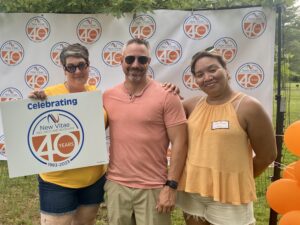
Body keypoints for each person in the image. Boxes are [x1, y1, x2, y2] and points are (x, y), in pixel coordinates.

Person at [176, 51, 277, 225]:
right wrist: (168, 91)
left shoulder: (248, 107)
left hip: (229, 198)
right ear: (195, 80)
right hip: (193, 191)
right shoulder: (191, 105)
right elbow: (161, 110)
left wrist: (234, 180)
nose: (207, 77)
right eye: (200, 74)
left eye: (212, 70)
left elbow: (267, 155)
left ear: (226, 71)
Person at [103, 38, 188, 225]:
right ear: (121, 60)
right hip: (117, 186)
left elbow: (180, 142)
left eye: (142, 60)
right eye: (130, 59)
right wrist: (43, 101)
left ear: (149, 62)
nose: (135, 65)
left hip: (154, 188)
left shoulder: (167, 96)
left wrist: (171, 186)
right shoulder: (108, 96)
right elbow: (82, 125)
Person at [29, 43, 107, 225]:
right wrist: (30, 104)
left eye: (81, 65)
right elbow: (32, 124)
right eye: (71, 67)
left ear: (88, 66)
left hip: (93, 179)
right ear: (64, 69)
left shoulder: (96, 95)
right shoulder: (47, 96)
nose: (77, 71)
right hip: (57, 181)